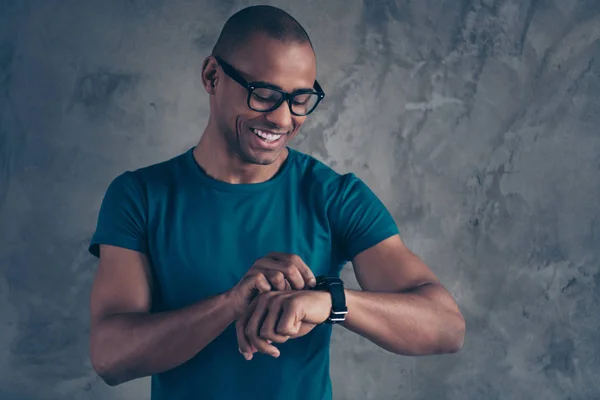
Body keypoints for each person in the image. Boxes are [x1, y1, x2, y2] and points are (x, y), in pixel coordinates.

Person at [87, 5, 465, 400]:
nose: (283, 119)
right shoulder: (139, 196)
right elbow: (110, 358)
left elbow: (446, 327)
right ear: (212, 76)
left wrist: (328, 301)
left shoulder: (336, 197)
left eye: (300, 99)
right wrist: (231, 304)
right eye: (264, 95)